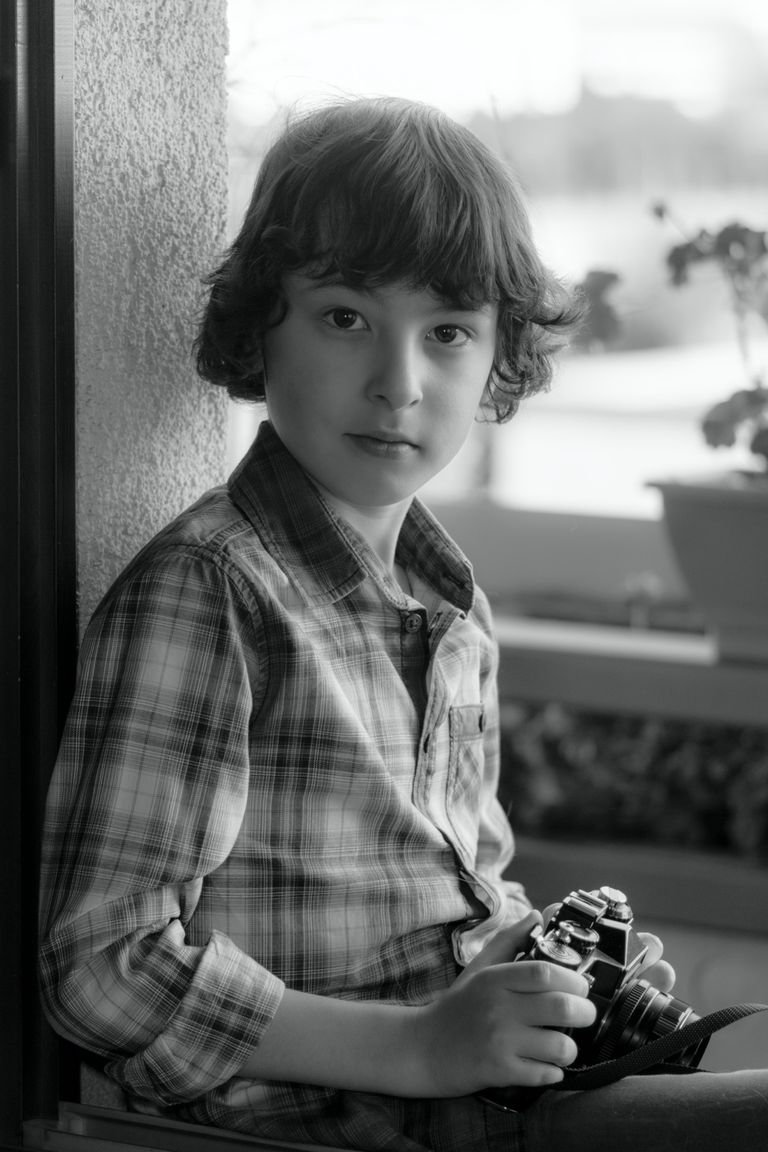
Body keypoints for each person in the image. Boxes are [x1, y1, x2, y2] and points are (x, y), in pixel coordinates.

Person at [39, 97, 768, 1152]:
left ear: (499, 359)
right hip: (345, 1120)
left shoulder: (450, 602)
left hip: (485, 1097)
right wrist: (421, 1047)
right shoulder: (211, 593)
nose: (398, 384)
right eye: (345, 318)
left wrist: (541, 979)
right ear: (259, 326)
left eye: (448, 333)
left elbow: (459, 894)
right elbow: (100, 969)